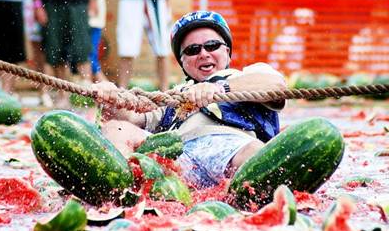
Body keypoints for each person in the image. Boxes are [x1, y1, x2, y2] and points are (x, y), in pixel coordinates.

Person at [94, 11, 287, 188]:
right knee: (115, 128)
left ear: (227, 51)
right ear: (183, 63)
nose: (203, 54)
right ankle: (121, 186)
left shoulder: (246, 75)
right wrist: (109, 97)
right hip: (175, 159)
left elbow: (275, 86)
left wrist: (219, 88)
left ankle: (258, 190)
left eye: (212, 46)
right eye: (193, 50)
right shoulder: (175, 95)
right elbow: (131, 118)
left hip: (233, 149)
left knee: (256, 152)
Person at [29, 0, 98, 106]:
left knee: (82, 49)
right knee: (55, 50)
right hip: (52, 1)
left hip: (79, 0)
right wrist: (37, 4)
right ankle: (62, 95)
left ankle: (88, 96)